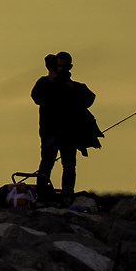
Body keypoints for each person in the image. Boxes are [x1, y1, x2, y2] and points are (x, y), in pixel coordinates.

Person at [31, 50, 99, 201]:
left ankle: (67, 195)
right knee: (46, 163)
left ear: (70, 67)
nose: (62, 69)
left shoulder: (74, 86)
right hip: (49, 132)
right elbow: (36, 97)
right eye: (59, 66)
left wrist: (68, 86)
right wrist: (52, 81)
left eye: (65, 66)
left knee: (68, 165)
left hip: (68, 133)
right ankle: (41, 195)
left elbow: (89, 98)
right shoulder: (44, 82)